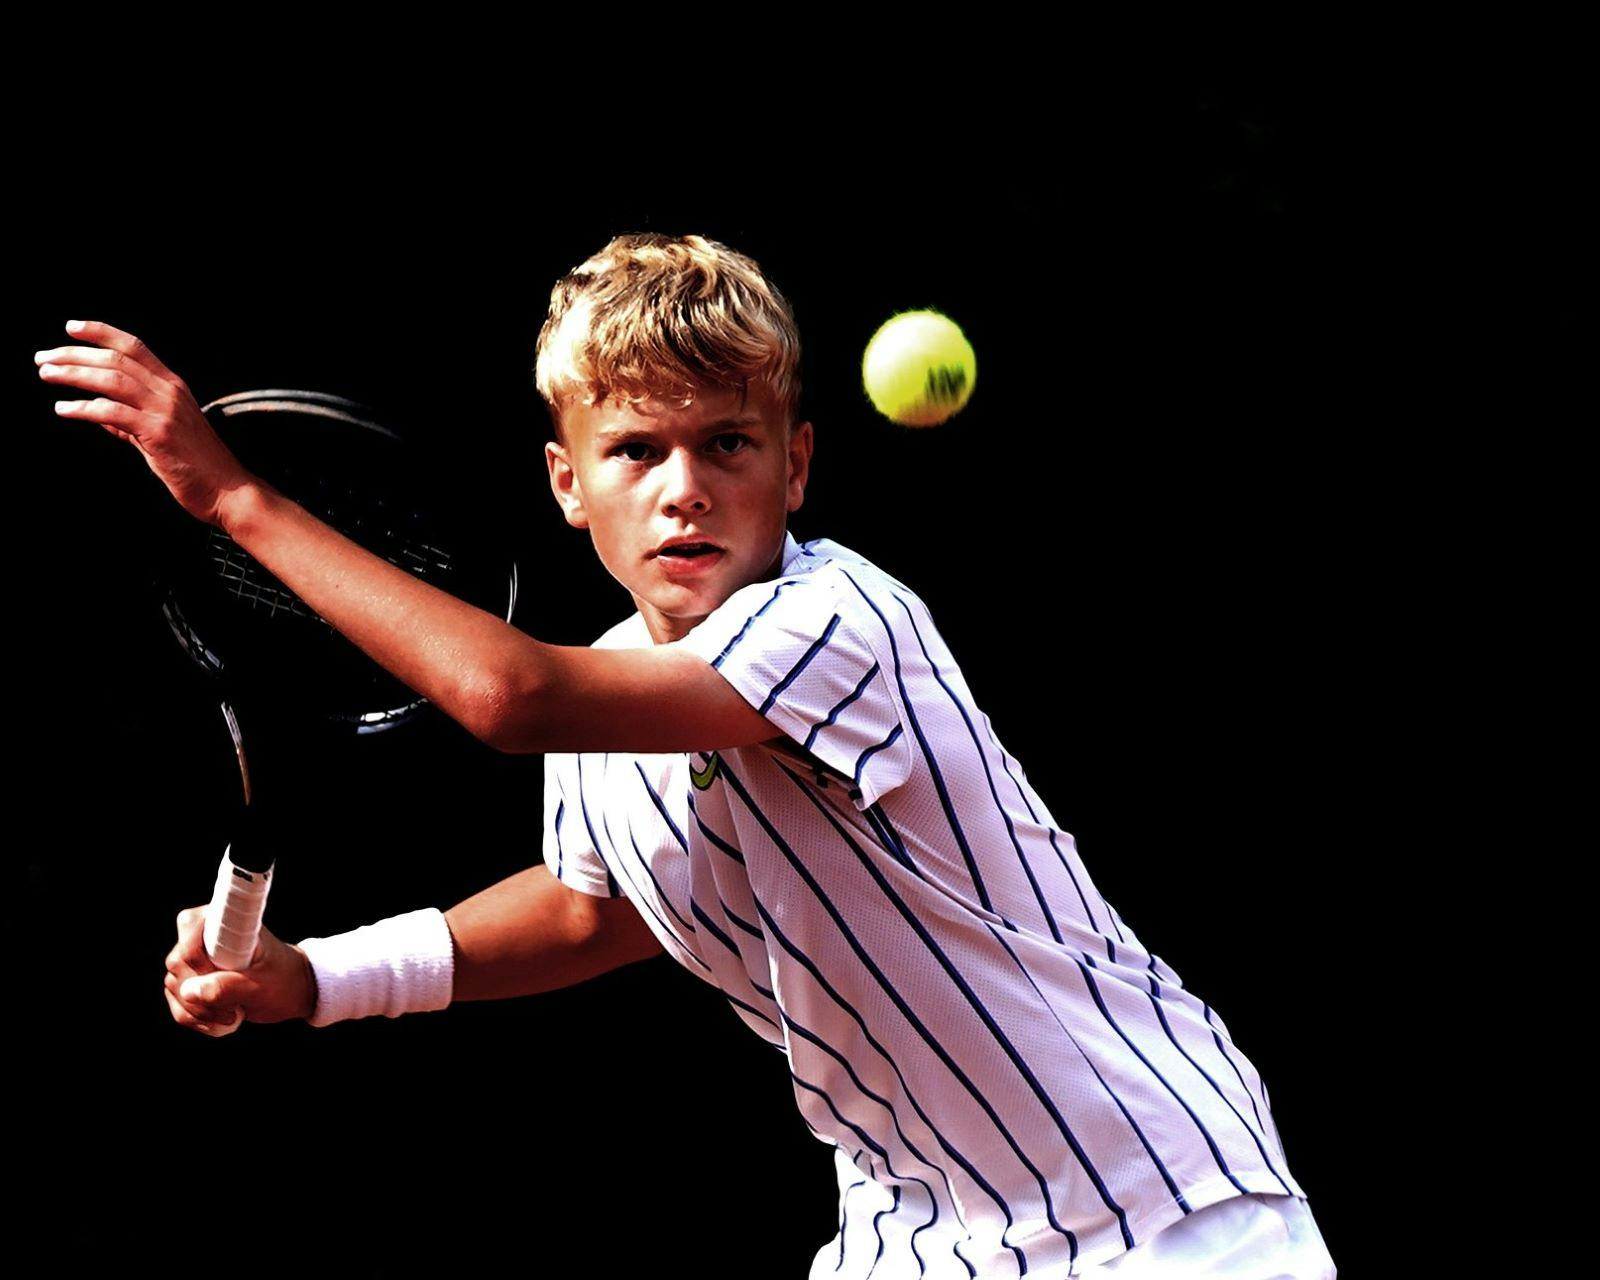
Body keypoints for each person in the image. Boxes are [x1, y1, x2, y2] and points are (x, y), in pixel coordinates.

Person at [37, 233, 1336, 1278]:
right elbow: (591, 910)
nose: (684, 488)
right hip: (916, 1231)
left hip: (1160, 1212)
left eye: (727, 443)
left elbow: (510, 696)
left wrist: (236, 498)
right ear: (568, 483)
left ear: (795, 466)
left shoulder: (841, 620)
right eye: (635, 451)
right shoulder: (613, 692)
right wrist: (317, 976)